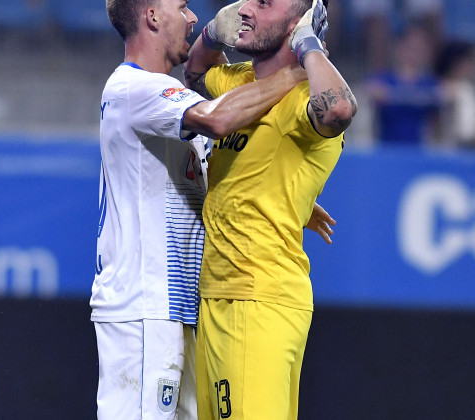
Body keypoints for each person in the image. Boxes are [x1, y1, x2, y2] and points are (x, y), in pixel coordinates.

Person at [91, 1, 328, 419]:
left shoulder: (170, 101)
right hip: (143, 307)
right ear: (152, 17)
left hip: (180, 306)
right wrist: (296, 70)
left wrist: (292, 200)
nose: (193, 18)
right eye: (181, 7)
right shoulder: (133, 88)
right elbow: (219, 119)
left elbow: (202, 176)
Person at [184, 0, 356, 418]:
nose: (246, 8)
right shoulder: (243, 83)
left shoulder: (302, 100)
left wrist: (308, 45)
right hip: (221, 298)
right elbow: (192, 73)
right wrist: (211, 33)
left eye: (264, 3)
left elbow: (338, 109)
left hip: (257, 300)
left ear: (299, 22)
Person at [365, 25, 442, 146]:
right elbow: (371, 92)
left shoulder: (430, 83)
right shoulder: (383, 79)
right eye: (410, 48)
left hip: (419, 150)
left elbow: (439, 111)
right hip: (385, 148)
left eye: (419, 49)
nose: (414, 53)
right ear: (399, 47)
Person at [433, 39, 475, 150]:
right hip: (446, 148)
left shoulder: (469, 89)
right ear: (455, 63)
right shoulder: (439, 88)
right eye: (469, 62)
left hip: (471, 147)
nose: (473, 67)